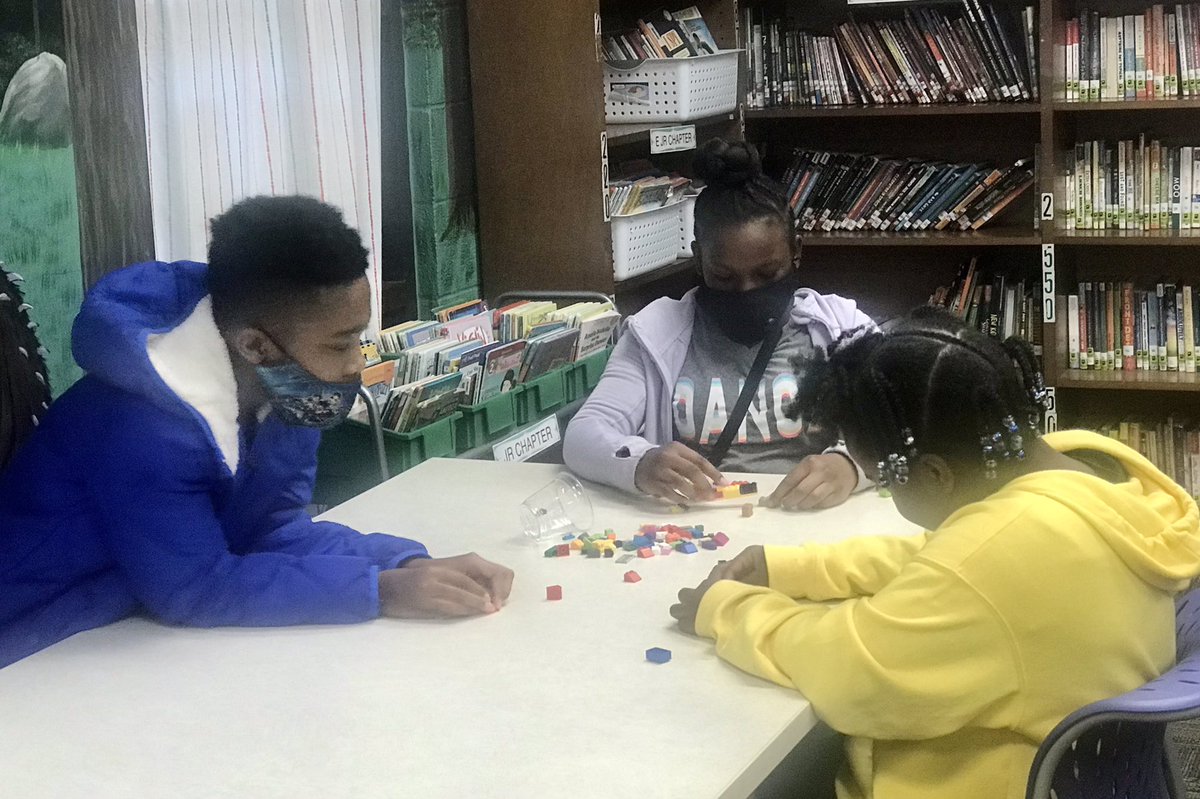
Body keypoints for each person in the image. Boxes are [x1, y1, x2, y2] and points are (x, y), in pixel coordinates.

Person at [670, 308, 1200, 799]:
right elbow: (947, 556)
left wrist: (726, 608)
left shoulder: (993, 558)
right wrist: (792, 567)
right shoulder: (1086, 469)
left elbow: (850, 670)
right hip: (1075, 770)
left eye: (883, 480)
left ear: (934, 474)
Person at [0, 196, 513, 669]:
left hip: (122, 633)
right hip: (35, 647)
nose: (355, 364)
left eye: (358, 338)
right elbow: (196, 588)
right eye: (339, 345)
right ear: (255, 346)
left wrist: (409, 562)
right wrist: (381, 591)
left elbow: (273, 532)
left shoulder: (286, 393)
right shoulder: (140, 428)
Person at [564, 138, 874, 510]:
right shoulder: (656, 332)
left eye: (767, 273)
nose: (746, 291)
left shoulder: (843, 328)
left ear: (796, 251)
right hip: (699, 527)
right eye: (724, 278)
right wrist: (641, 463)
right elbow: (583, 434)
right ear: (698, 260)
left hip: (808, 524)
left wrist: (851, 465)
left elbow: (913, 420)